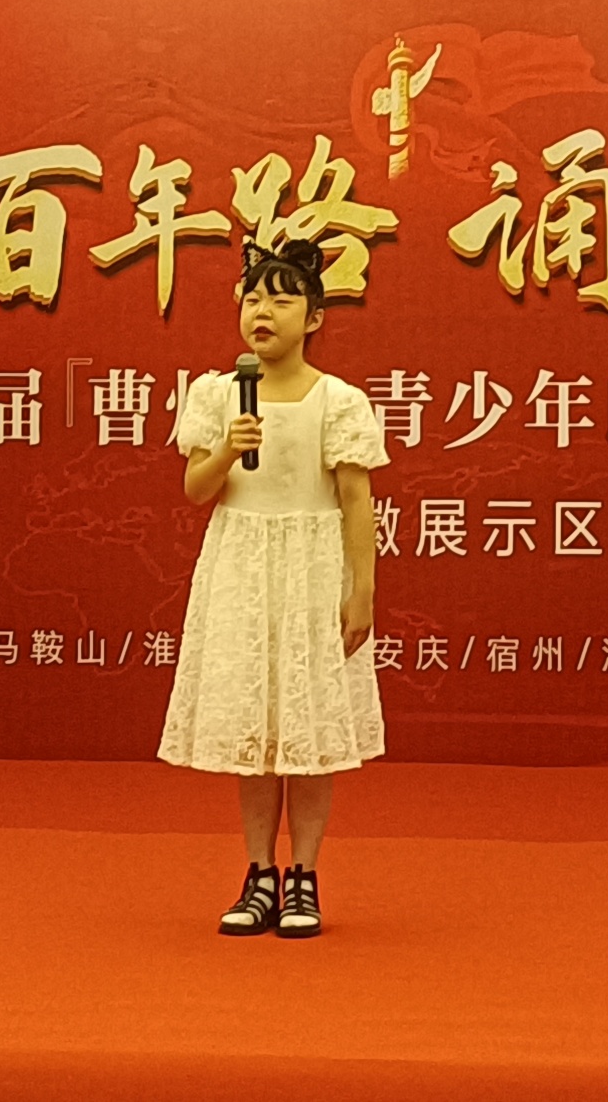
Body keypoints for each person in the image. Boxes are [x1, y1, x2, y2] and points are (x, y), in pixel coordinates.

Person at [158, 237, 388, 938]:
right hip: (242, 568)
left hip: (313, 571)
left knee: (308, 730)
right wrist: (229, 446)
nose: (263, 312)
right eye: (253, 298)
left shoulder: (339, 399)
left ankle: (303, 878)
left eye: (282, 301)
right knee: (255, 729)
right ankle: (258, 873)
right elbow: (197, 489)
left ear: (313, 318)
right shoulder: (217, 394)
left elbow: (356, 500)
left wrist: (362, 592)